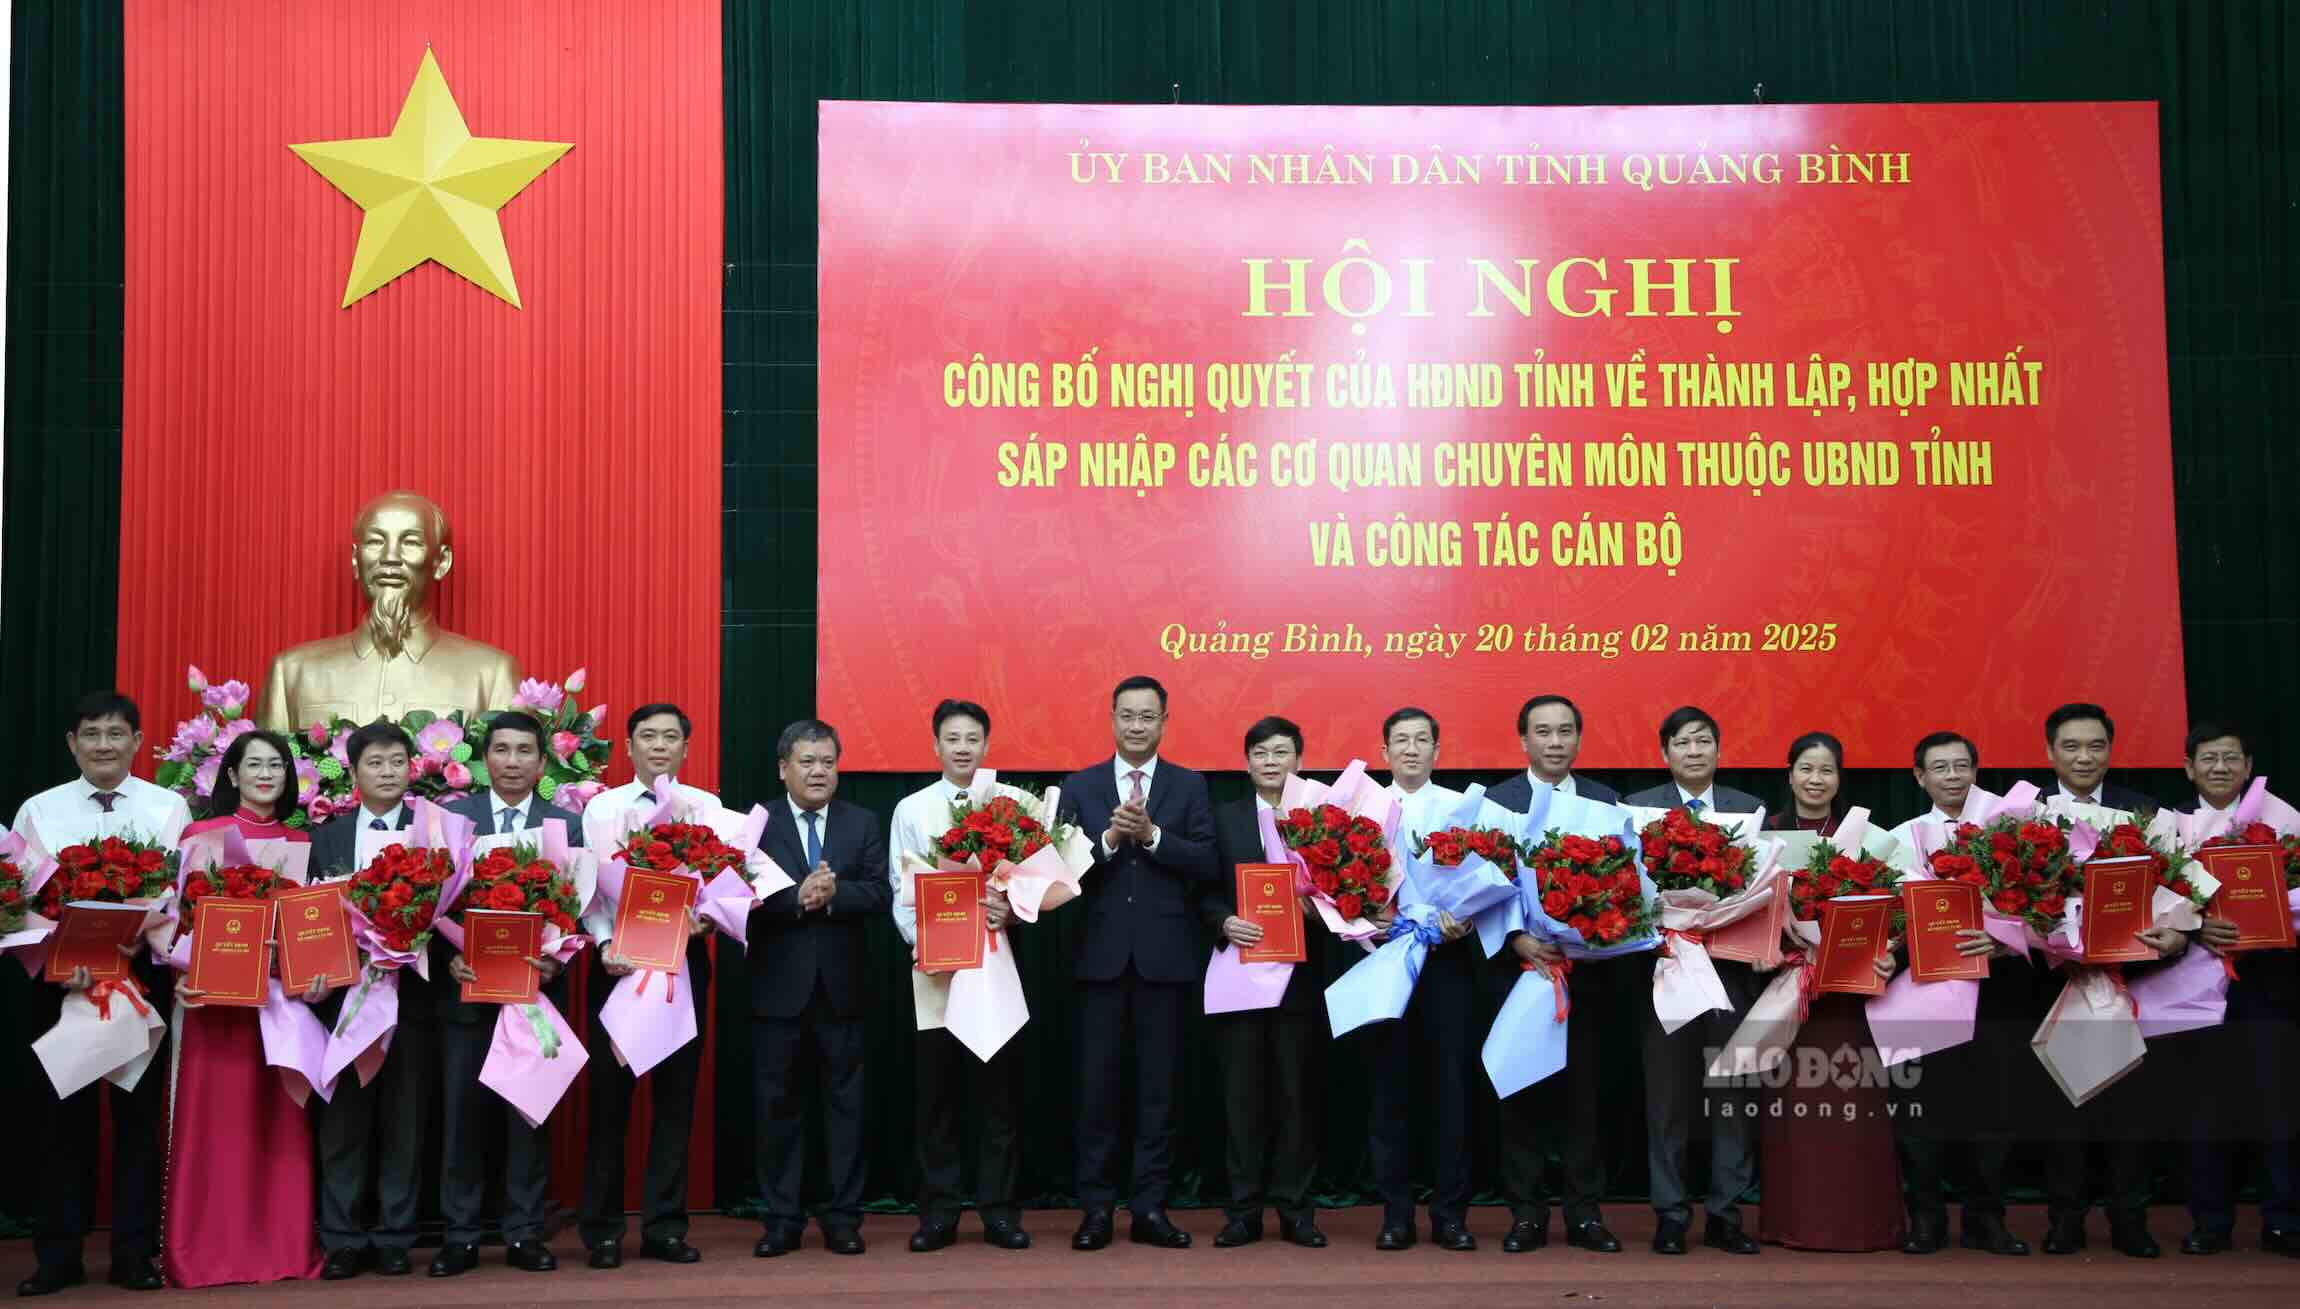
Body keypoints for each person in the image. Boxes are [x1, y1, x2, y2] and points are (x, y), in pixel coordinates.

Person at [12, 693, 189, 1297]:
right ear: (72, 742)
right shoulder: (38, 809)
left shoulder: (170, 806)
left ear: (138, 741)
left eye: (117, 733)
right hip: (64, 987)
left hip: (139, 980)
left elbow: (179, 899)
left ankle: (134, 1255)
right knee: (61, 1123)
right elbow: (19, 906)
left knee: (137, 1122)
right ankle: (57, 1256)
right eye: (92, 734)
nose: (105, 745)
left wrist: (143, 944)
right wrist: (59, 959)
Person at [1059, 675, 1216, 1252]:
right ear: (1111, 717)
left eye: (1148, 716)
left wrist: (1152, 837)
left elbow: (1206, 861)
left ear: (1164, 721)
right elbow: (1058, 871)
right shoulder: (1079, 785)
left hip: (1166, 962)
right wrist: (1104, 841)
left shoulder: (1189, 785)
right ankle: (1096, 1210)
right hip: (1097, 961)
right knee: (1096, 1093)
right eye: (1127, 715)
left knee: (1159, 1093)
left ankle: (1150, 1207)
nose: (1136, 725)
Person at [164, 729, 326, 1287]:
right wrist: (184, 970)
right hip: (216, 1003)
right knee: (217, 1128)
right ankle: (205, 1252)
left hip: (282, 1004)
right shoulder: (200, 835)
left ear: (289, 777)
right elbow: (172, 920)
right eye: (253, 765)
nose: (265, 774)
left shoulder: (304, 841)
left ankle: (280, 1250)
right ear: (230, 775)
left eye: (276, 766)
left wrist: (313, 969)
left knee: (279, 1124)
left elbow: (315, 927)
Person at [431, 711, 586, 1277]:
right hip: (467, 994)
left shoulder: (565, 826)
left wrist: (556, 956)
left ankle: (524, 1233)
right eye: (502, 750)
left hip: (534, 993)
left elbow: (582, 909)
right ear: (483, 759)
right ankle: (461, 1235)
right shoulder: (454, 819)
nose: (513, 761)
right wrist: (447, 958)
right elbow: (429, 908)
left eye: (525, 751)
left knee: (529, 1115)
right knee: (462, 1119)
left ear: (542, 763)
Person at [576, 704, 722, 1268]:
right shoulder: (602, 807)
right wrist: (604, 942)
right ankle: (603, 1231)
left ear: (686, 748)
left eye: (670, 737)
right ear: (629, 747)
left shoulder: (707, 808)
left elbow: (724, 879)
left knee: (676, 1102)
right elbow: (588, 886)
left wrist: (709, 918)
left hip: (683, 965)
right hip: (617, 968)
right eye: (647, 736)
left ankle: (664, 1227)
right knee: (610, 1104)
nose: (659, 746)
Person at [2032, 702, 2177, 1258]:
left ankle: (2129, 1219)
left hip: (2128, 982)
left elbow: (2177, 889)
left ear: (2110, 751)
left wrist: (2178, 935)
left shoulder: (2144, 813)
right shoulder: (2030, 818)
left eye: (2095, 746)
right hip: (2055, 981)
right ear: (2050, 753)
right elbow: (2011, 897)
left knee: (2130, 1109)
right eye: (2070, 746)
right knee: (2060, 1107)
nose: (2083, 756)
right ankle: (2064, 1219)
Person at [887, 701, 1029, 1252]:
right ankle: (939, 1214)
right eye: (952, 738)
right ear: (935, 746)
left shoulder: (1010, 805)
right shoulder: (912, 809)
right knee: (937, 1096)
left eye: (972, 738)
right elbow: (901, 891)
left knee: (998, 1097)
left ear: (986, 745)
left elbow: (1032, 880)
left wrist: (1010, 911)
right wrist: (928, 946)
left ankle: (999, 1213)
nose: (963, 747)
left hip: (994, 963)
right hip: (936, 969)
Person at [1622, 706, 1763, 1255]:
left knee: (1731, 1094)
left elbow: (1762, 888)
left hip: (1730, 971)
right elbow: (1628, 890)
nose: (1695, 751)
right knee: (1669, 1097)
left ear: (1719, 750)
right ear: (1666, 753)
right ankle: (1672, 1214)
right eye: (1683, 743)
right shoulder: (1636, 810)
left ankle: (1727, 1214)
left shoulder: (1748, 809)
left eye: (1705, 740)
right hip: (1666, 970)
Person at [1486, 694, 1624, 1255]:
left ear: (1579, 738)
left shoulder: (1604, 799)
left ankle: (1585, 1214)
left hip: (1587, 973)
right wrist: (1520, 938)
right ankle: (1526, 1214)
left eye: (1566, 731)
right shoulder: (1499, 802)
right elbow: (1481, 884)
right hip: (1519, 968)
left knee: (1583, 1097)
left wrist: (1592, 934)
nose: (1555, 741)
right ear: (1523, 740)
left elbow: (1623, 880)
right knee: (1522, 1090)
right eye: (1543, 732)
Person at [1754, 732, 1903, 1251]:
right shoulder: (1765, 833)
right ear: (1789, 773)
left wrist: (1891, 947)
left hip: (1850, 993)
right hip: (1786, 987)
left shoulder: (1867, 838)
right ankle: (1793, 1222)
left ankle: (1863, 1223)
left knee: (1853, 1105)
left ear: (1840, 779)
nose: (1816, 780)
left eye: (1827, 771)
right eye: (1806, 769)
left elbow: (1895, 910)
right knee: (1793, 1109)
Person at [1884, 731, 2031, 1257]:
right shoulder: (1899, 838)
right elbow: (1887, 917)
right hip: (1919, 991)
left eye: (1961, 765)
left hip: (1994, 991)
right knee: (1922, 1111)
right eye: (1939, 767)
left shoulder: (2010, 831)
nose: (1952, 775)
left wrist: (2007, 939)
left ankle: (1986, 1220)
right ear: (1919, 777)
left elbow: (2038, 907)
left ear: (1975, 770)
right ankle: (1924, 1218)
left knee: (1993, 1111)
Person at [749, 719, 888, 1257]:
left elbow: (879, 892)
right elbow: (740, 897)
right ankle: (781, 1218)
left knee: (846, 1108)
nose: (818, 771)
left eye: (827, 761)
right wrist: (795, 898)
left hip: (844, 989)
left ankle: (843, 1217)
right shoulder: (756, 824)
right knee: (776, 1108)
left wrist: (833, 895)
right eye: (806, 762)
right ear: (783, 768)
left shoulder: (862, 822)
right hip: (776, 991)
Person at [308, 721, 430, 1279]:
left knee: (404, 1123)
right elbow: (307, 915)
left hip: (414, 999)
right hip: (345, 1000)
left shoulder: (435, 828)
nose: (387, 772)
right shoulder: (325, 837)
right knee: (343, 1124)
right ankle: (342, 1240)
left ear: (413, 767)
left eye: (397, 761)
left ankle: (395, 1237)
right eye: (375, 763)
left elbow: (451, 907)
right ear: (353, 772)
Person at [1201, 715, 1327, 1249]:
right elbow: (1202, 890)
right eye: (1260, 753)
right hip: (1241, 973)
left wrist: (1322, 907)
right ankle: (1244, 1211)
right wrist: (1223, 921)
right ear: (1247, 762)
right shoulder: (1224, 818)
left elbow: (1346, 887)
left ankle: (1297, 1210)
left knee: (1297, 1096)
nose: (1270, 762)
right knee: (1242, 1097)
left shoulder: (1322, 818)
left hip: (1299, 976)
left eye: (1280, 752)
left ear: (1298, 758)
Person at [2175, 723, 2298, 1256]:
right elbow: (2156, 897)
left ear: (2248, 767)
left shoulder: (2286, 820)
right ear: (2189, 768)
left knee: (2281, 1105)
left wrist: (2269, 919)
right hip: (2193, 985)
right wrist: (2196, 925)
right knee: (2205, 1110)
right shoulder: (2170, 826)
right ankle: (2210, 1222)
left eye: (2230, 758)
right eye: (2208, 758)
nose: (2219, 767)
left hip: (2270, 984)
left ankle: (2284, 1221)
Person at [1367, 706, 1481, 1252]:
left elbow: (1490, 878)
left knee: (1450, 1091)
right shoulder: (1363, 809)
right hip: (1385, 961)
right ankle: (1396, 1214)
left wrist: (1469, 915)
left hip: (1448, 963)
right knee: (1390, 1090)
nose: (1411, 750)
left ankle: (1450, 1215)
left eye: (1421, 740)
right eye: (1400, 741)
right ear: (1384, 753)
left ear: (1438, 750)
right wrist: (1364, 912)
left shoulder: (1462, 809)